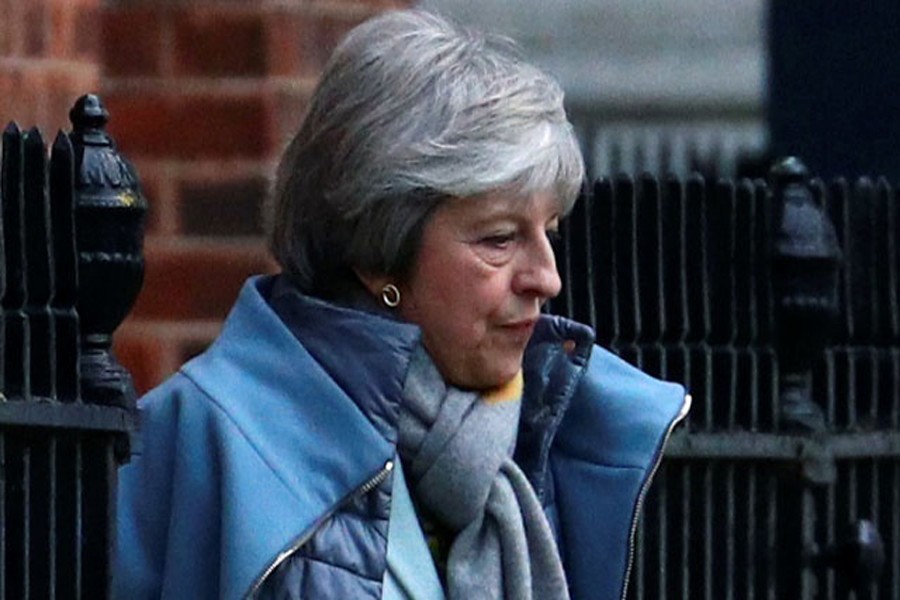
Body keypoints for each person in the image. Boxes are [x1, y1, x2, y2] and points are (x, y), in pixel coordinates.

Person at [114, 9, 689, 600]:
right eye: (499, 239)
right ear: (378, 251)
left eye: (550, 232)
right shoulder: (204, 440)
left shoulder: (566, 439)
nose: (548, 278)